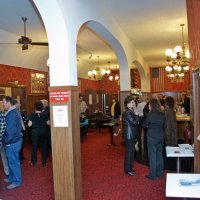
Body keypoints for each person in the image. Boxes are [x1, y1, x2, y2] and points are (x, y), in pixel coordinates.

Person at [2, 96, 23, 189]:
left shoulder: (12, 114)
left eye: (3, 102)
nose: (3, 104)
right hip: (14, 141)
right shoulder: (13, 112)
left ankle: (16, 181)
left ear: (8, 102)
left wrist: (4, 141)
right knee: (11, 162)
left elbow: (10, 132)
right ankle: (11, 178)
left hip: (12, 142)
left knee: (14, 162)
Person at [142, 98, 166, 180]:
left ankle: (152, 175)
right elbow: (165, 126)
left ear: (152, 105)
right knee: (159, 155)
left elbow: (144, 125)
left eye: (149, 105)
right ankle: (159, 173)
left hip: (151, 138)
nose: (148, 106)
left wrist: (149, 126)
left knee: (152, 156)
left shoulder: (150, 114)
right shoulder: (162, 114)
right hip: (160, 137)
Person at [28, 101, 49, 166]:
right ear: (42, 107)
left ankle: (33, 162)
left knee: (34, 147)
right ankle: (44, 162)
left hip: (35, 133)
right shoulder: (44, 115)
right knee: (43, 147)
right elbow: (48, 123)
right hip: (43, 132)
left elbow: (29, 125)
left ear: (35, 108)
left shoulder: (32, 115)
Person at [122, 96, 139, 176]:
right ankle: (128, 170)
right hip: (129, 135)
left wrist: (135, 113)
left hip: (131, 134)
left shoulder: (130, 111)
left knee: (131, 152)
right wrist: (137, 115)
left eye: (134, 102)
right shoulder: (127, 112)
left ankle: (129, 168)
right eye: (131, 102)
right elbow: (134, 123)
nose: (133, 103)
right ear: (127, 104)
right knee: (129, 153)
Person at [0, 103, 9, 180]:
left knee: (4, 157)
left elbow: (3, 128)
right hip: (2, 140)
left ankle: (8, 173)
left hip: (2, 140)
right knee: (4, 157)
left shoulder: (2, 114)